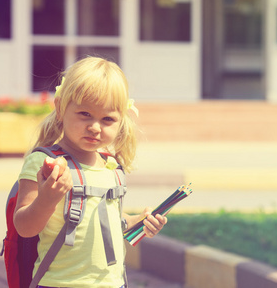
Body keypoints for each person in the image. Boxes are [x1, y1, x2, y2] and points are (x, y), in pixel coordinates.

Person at [13, 56, 167, 288]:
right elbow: (24, 228)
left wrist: (140, 222)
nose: (95, 127)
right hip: (60, 283)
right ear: (60, 107)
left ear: (120, 121)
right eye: (85, 114)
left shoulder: (111, 166)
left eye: (107, 119)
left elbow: (106, 221)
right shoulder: (45, 162)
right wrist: (47, 200)